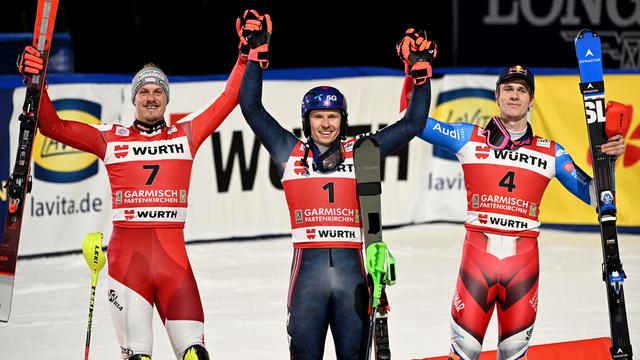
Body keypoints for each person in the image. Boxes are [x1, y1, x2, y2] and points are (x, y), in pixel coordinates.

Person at [16, 12, 263, 360]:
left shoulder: (187, 132)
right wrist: (36, 81)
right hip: (127, 266)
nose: (151, 97)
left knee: (196, 355)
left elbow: (228, 98)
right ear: (133, 99)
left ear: (167, 98)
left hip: (174, 266)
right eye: (144, 91)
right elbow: (53, 127)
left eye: (158, 91)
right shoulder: (110, 138)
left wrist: (244, 55)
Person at [239, 16, 436, 359]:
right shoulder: (290, 151)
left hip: (354, 281)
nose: (326, 123)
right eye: (318, 116)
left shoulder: (362, 152)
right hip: (307, 283)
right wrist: (254, 55)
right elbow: (251, 108)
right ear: (307, 120)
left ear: (343, 120)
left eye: (333, 116)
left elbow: (414, 123)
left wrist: (419, 73)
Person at [411, 65, 626, 360]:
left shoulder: (550, 152)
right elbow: (413, 123)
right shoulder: (468, 137)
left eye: (522, 90)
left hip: (522, 269)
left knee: (514, 353)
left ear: (531, 101)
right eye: (508, 89)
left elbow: (597, 197)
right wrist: (416, 79)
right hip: (477, 264)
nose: (515, 95)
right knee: (464, 352)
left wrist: (608, 162)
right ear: (496, 96)